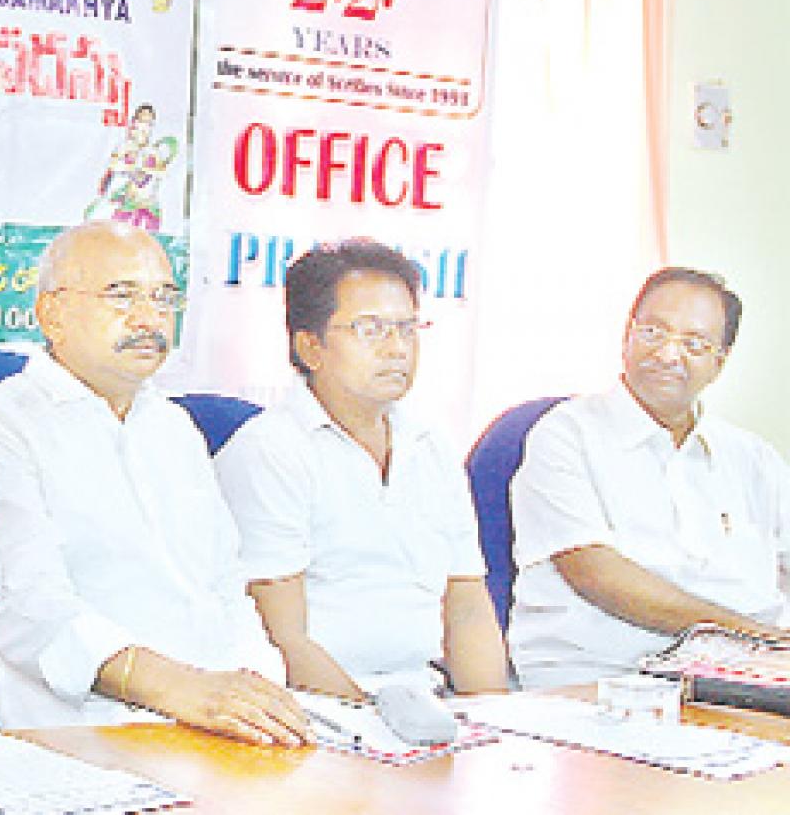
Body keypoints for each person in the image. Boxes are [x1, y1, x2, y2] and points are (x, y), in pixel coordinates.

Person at [0, 220, 311, 747]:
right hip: (74, 730)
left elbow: (225, 586)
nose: (150, 318)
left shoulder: (175, 427)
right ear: (52, 313)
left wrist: (257, 689)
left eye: (163, 298)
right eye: (122, 295)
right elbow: (31, 610)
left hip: (211, 723)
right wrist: (188, 692)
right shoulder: (2, 423)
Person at [214, 239, 508, 700]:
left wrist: (496, 725)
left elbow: (467, 608)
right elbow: (283, 641)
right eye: (371, 330)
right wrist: (374, 731)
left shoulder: (431, 446)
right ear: (309, 347)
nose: (397, 349)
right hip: (317, 711)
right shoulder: (270, 452)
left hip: (425, 702)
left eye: (408, 328)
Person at [510, 267, 790, 689]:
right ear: (628, 335)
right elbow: (595, 574)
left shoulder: (752, 458)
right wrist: (753, 638)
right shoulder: (566, 435)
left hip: (747, 684)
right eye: (654, 333)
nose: (668, 355)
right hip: (601, 681)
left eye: (693, 344)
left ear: (720, 362)